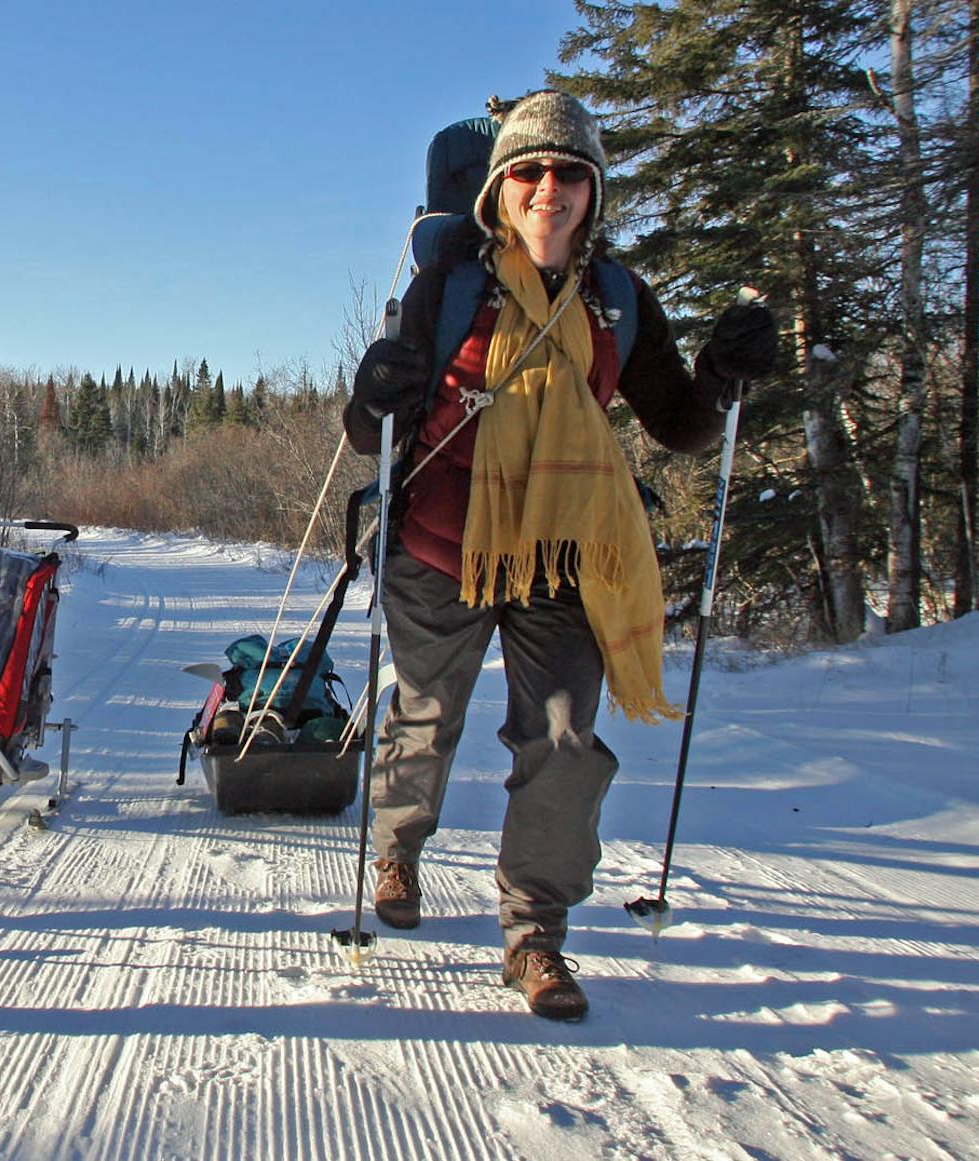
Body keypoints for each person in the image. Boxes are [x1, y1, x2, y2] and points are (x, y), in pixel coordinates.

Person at [343, 90, 778, 1021]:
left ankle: (534, 930)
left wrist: (721, 375)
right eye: (530, 173)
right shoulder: (449, 289)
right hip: (437, 549)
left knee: (566, 740)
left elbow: (681, 423)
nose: (551, 189)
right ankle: (397, 847)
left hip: (561, 554)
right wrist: (371, 394)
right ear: (500, 189)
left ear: (593, 191)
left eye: (569, 173)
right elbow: (377, 429)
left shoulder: (618, 301)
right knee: (425, 713)